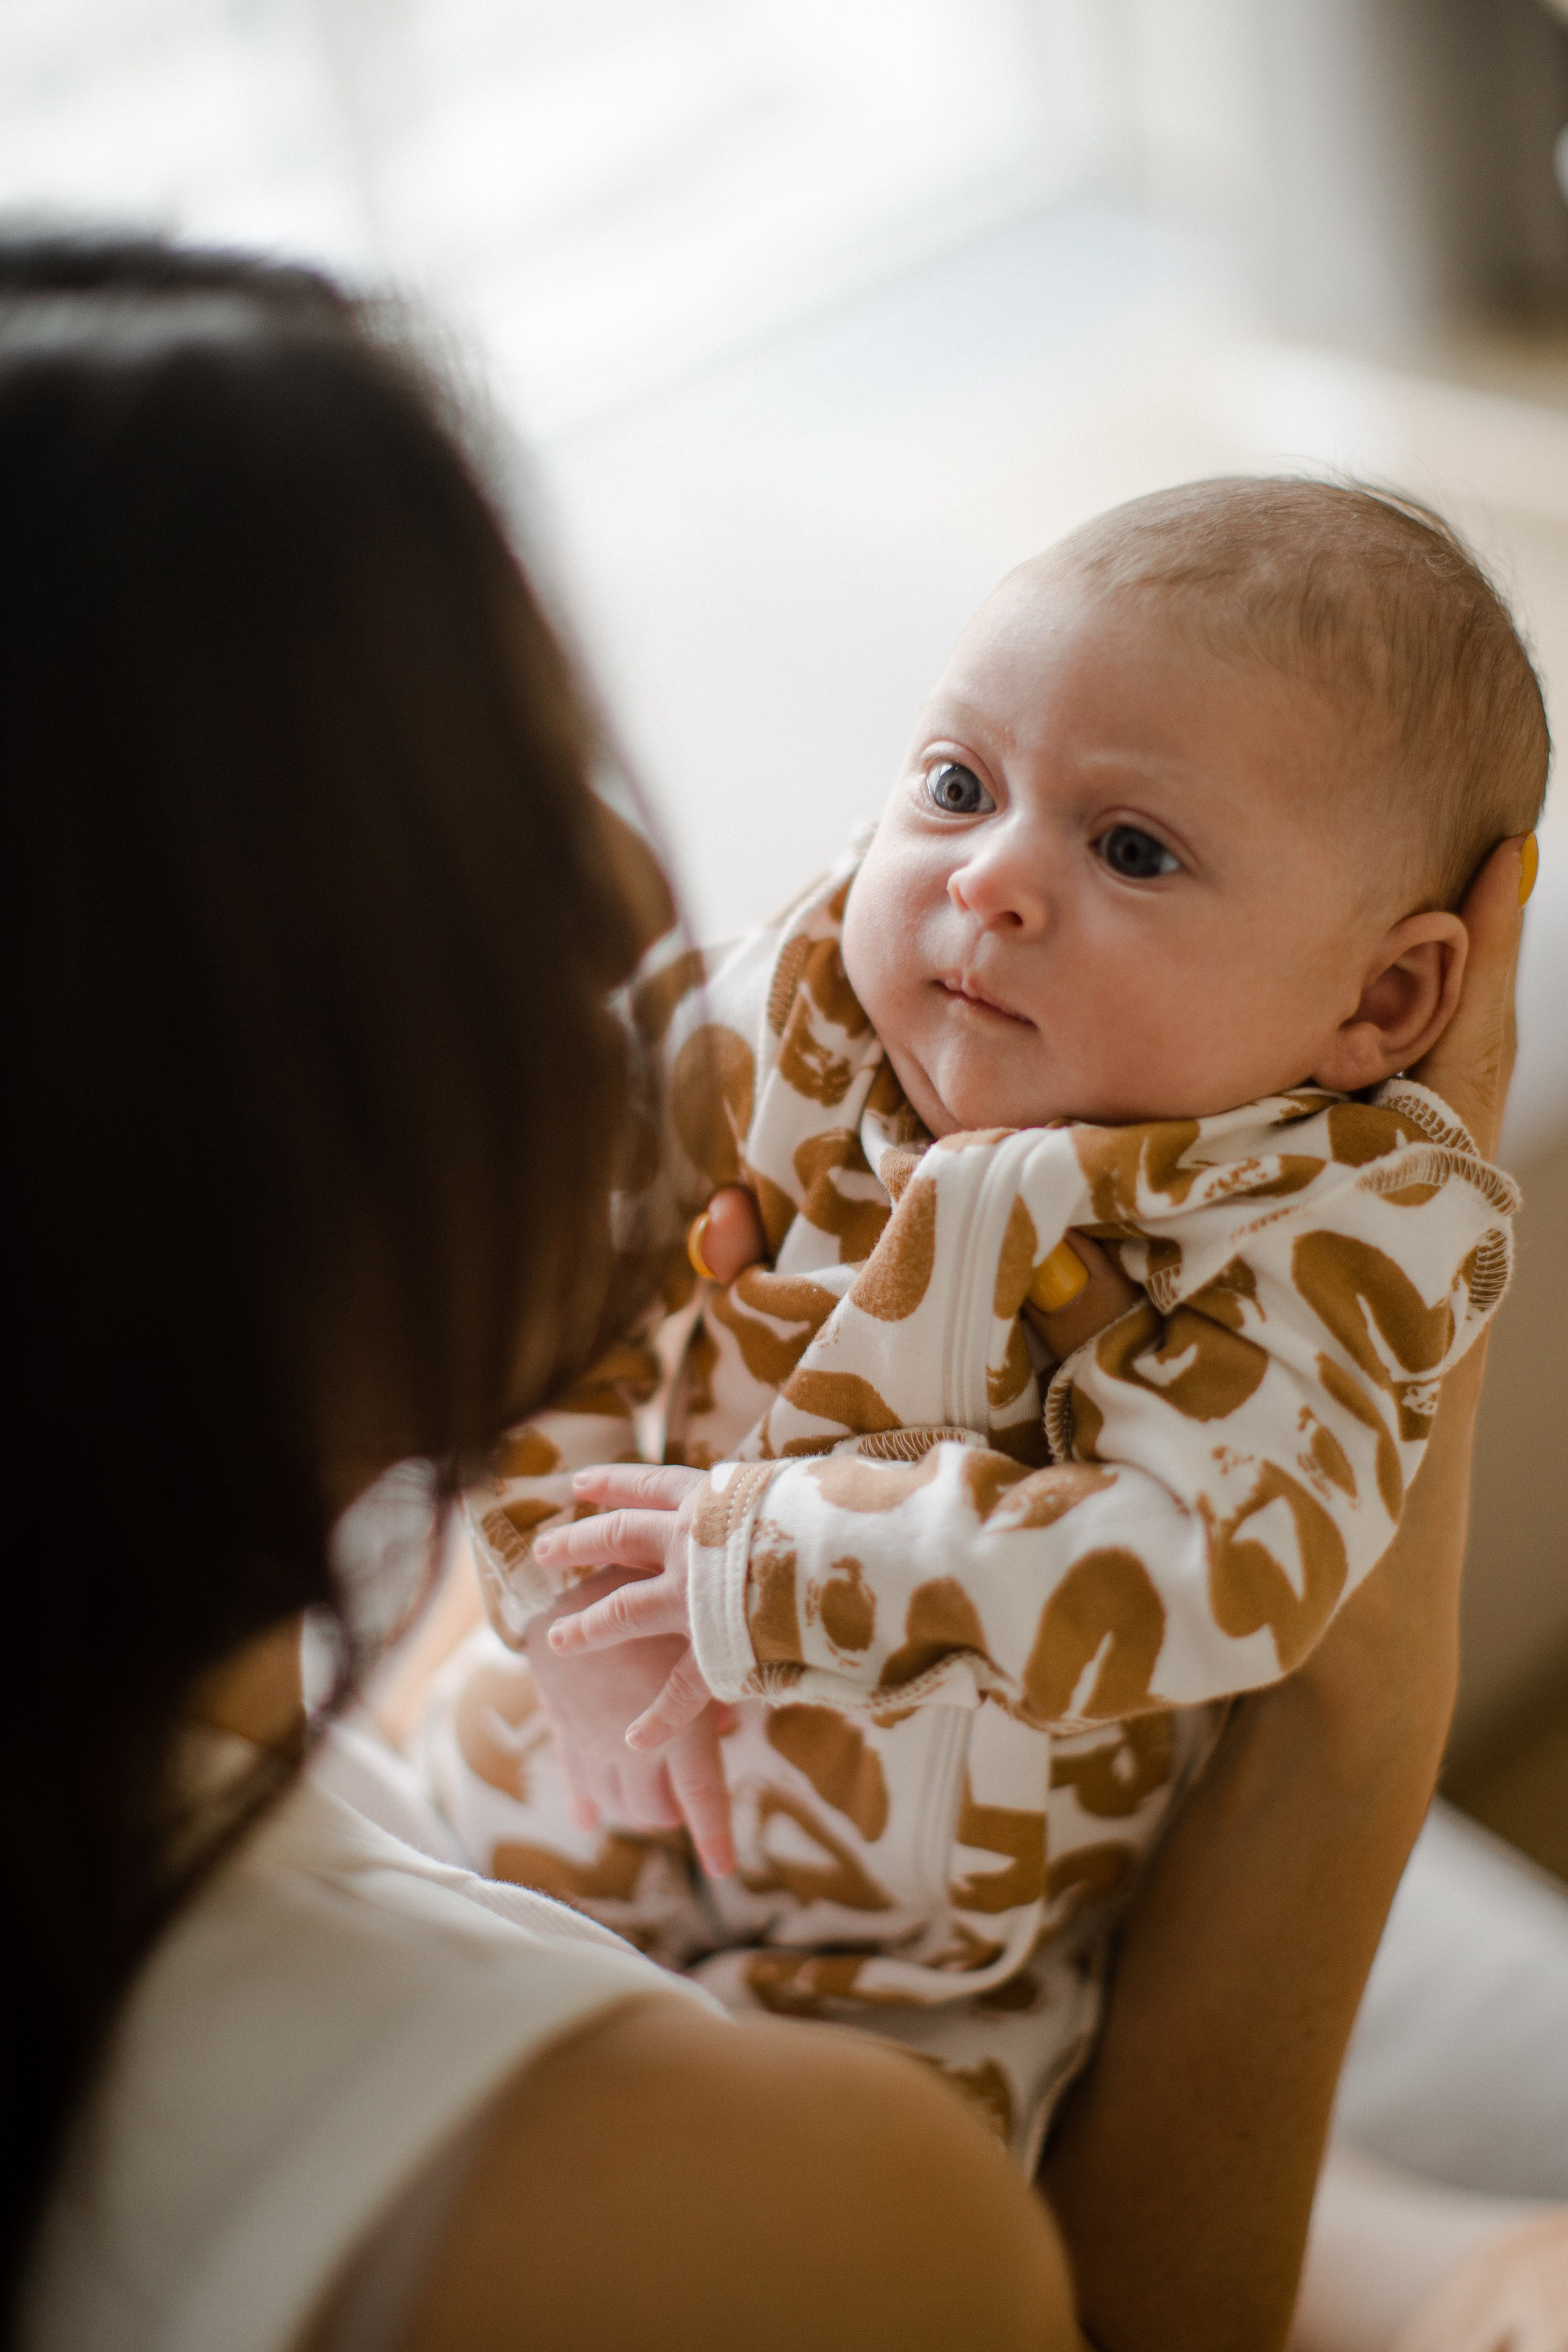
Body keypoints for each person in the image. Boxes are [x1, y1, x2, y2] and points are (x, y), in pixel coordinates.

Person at [0, 227, 1530, 2352]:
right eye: (537, 823)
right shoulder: (764, 2211)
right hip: (900, 2004)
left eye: (1135, 850)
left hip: (955, 1892)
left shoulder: (204, 1632)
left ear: (1388, 992)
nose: (661, 897)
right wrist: (1349, 1751)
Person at [423, 480, 1538, 2162]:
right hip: (583, 1752)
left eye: (1133, 848)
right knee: (415, 2019)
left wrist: (770, 1561)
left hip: (944, 1959)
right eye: (958, 785)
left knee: (876, 2225)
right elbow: (533, 1292)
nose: (992, 878)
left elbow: (1211, 1561)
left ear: (1380, 1001)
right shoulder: (772, 1025)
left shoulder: (1324, 1237)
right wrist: (551, 1587)